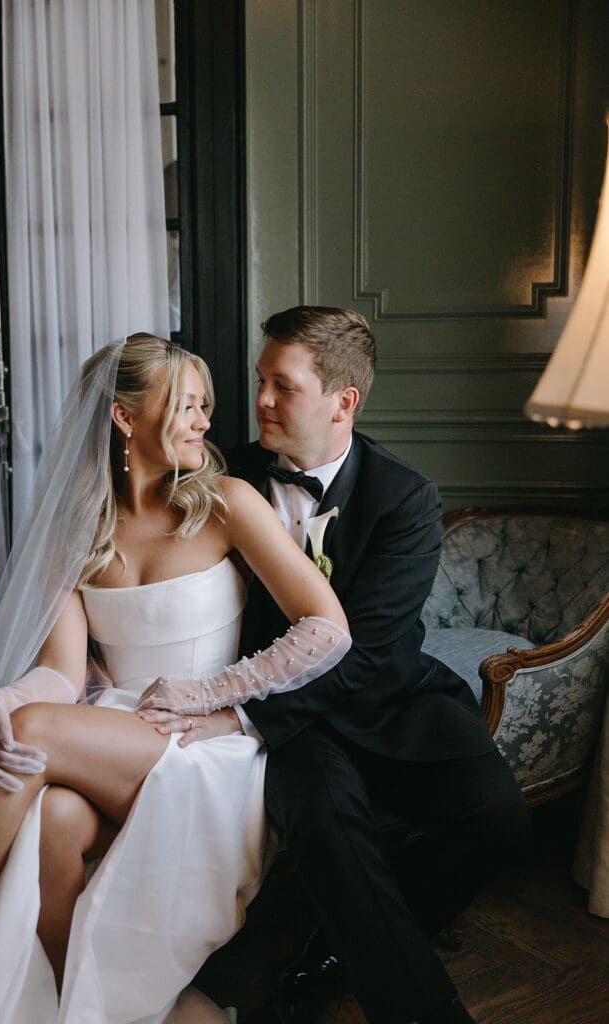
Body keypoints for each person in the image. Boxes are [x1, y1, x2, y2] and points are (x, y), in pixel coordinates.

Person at [0, 334, 351, 1024]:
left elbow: (326, 628)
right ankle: (93, 1005)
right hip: (114, 730)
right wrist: (0, 701)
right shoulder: (76, 528)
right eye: (186, 405)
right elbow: (62, 674)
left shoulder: (226, 501)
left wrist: (211, 694)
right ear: (125, 417)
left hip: (207, 750)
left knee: (29, 737)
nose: (205, 421)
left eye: (204, 406)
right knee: (53, 814)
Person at [197, 306, 530, 1024]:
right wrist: (241, 714)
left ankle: (333, 948)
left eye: (281, 386)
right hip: (290, 719)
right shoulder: (224, 477)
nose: (259, 400)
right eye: (260, 381)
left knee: (499, 817)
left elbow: (371, 650)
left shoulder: (402, 495)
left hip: (388, 697)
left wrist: (244, 710)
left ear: (342, 402)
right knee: (330, 825)